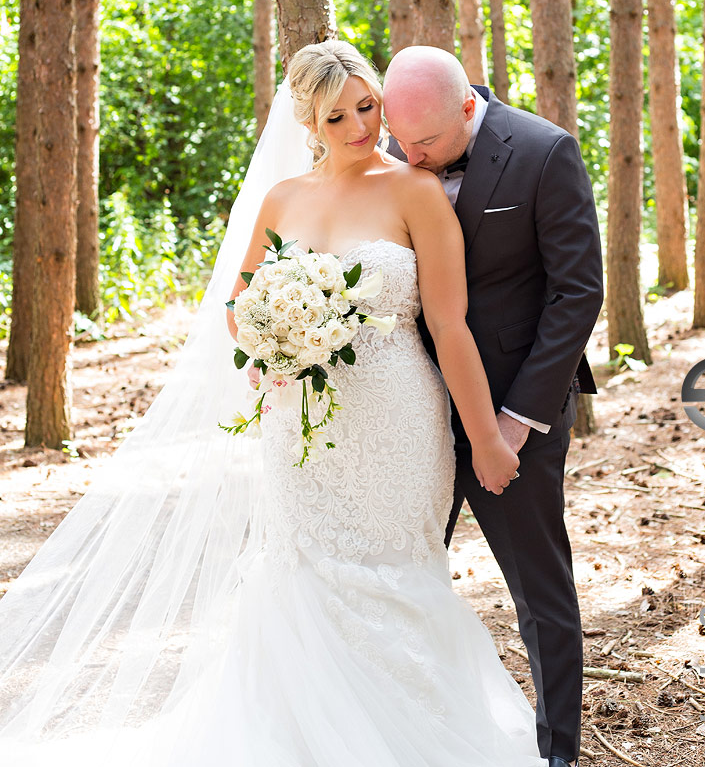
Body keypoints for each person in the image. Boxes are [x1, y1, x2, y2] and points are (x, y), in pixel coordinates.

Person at [0, 39, 544, 767]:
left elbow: (448, 325)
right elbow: (240, 304)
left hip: (396, 418)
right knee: (304, 570)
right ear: (307, 123)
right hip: (298, 426)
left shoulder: (414, 191)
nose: (358, 125)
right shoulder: (283, 198)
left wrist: (484, 437)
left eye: (366, 106)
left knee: (395, 571)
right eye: (336, 116)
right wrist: (278, 341)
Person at [382, 45, 605, 767]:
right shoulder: (393, 149)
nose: (408, 156)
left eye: (425, 144)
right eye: (400, 140)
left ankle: (558, 751)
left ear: (469, 109)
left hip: (517, 411)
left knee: (539, 592)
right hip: (413, 410)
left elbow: (577, 293)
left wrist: (512, 421)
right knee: (400, 580)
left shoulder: (545, 153)